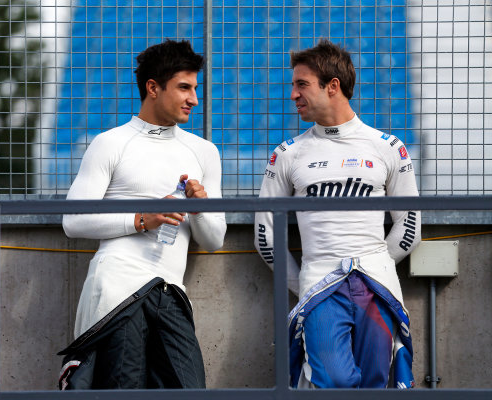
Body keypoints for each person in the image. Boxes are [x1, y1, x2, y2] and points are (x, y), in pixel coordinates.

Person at [58, 39, 226, 390]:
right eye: (184, 88)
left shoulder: (204, 152)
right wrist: (141, 218)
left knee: (190, 389)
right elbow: (73, 221)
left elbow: (214, 240)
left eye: (195, 88)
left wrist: (200, 207)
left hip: (172, 292)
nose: (194, 99)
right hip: (117, 287)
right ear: (153, 88)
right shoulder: (110, 142)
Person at [254, 39, 421, 389]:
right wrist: (302, 284)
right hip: (318, 286)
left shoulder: (389, 147)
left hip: (377, 284)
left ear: (333, 87)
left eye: (302, 84)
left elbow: (409, 226)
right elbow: (266, 234)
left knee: (379, 381)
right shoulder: (287, 153)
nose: (293, 94)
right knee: (334, 381)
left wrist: (372, 264)